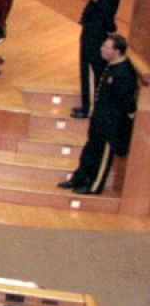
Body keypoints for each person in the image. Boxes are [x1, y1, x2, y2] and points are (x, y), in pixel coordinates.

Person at [60, 34, 138, 195]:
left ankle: (94, 186)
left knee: (102, 155)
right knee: (90, 150)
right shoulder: (112, 65)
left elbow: (127, 102)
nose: (102, 49)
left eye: (106, 47)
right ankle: (79, 177)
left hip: (111, 123)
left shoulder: (124, 73)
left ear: (117, 51)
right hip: (100, 118)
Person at [74, 0, 122, 119]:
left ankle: (88, 108)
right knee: (92, 72)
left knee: (90, 73)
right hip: (94, 35)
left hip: (94, 39)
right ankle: (89, 105)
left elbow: (102, 17)